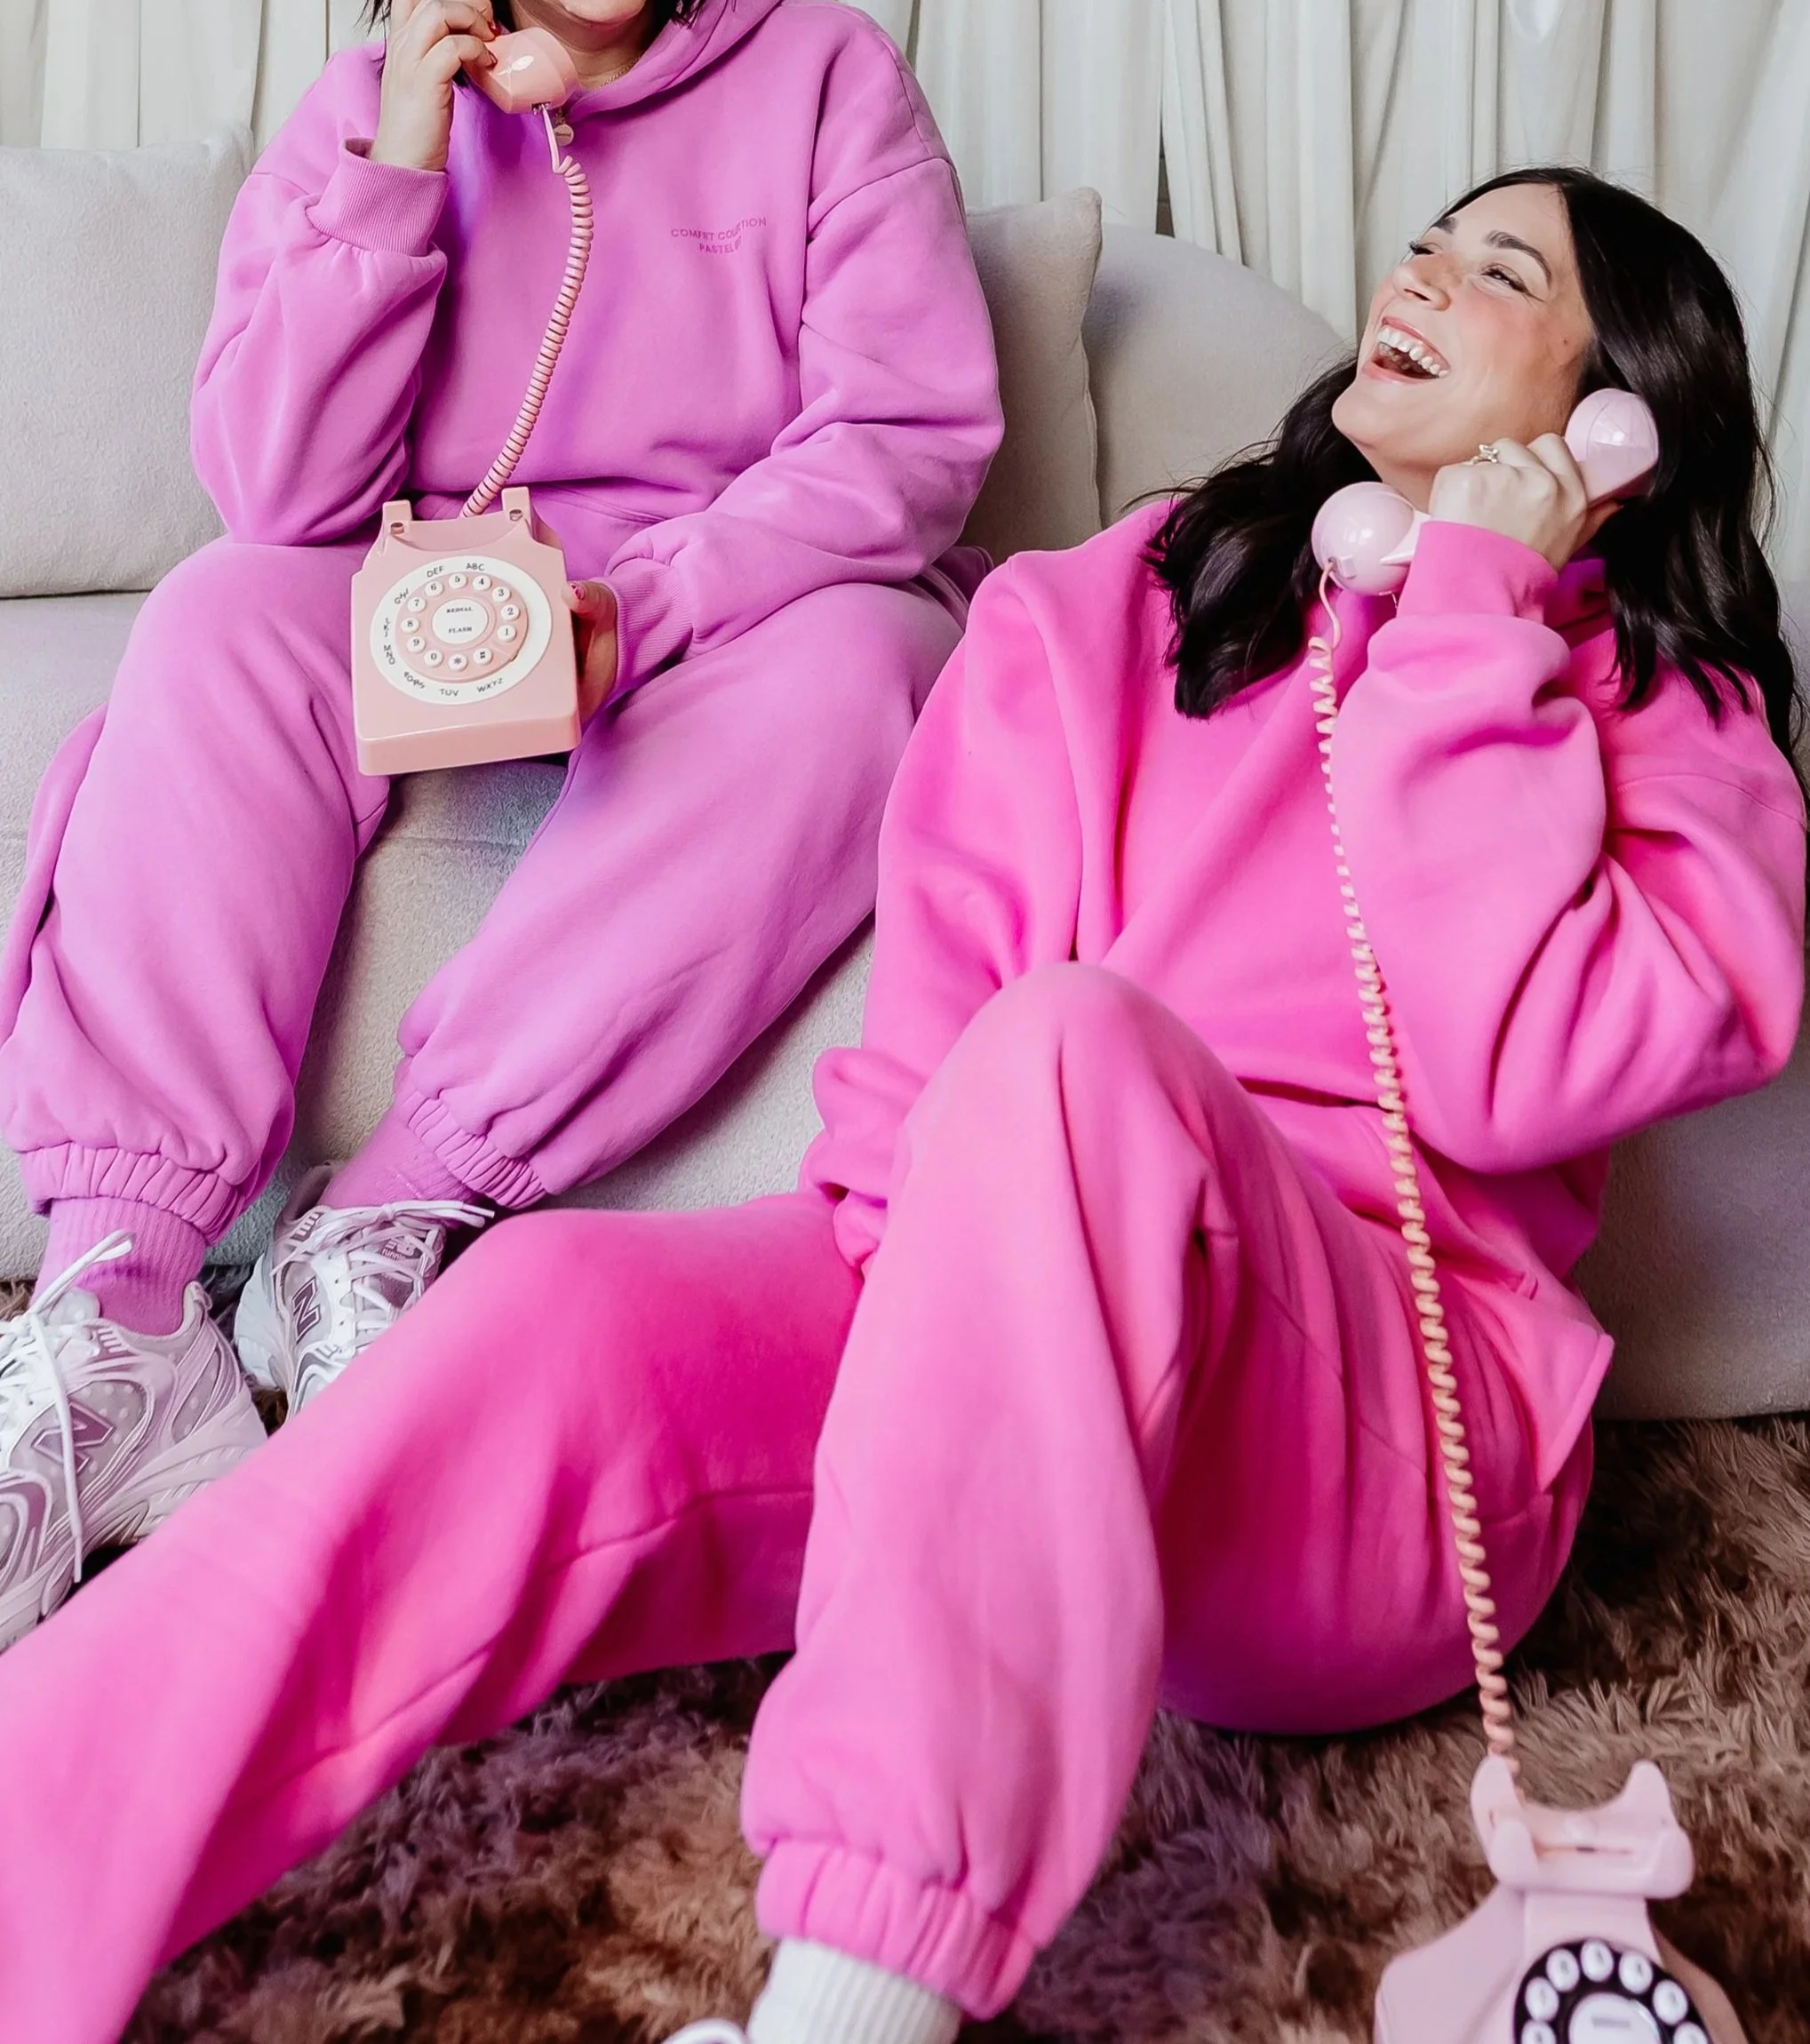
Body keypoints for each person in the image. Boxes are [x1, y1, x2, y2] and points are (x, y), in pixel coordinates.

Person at [0, 172, 1800, 2044]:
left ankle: (858, 2001)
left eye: (1500, 268)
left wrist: (1471, 620)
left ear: (1625, 413)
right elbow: (933, 1066)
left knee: (1074, 1056)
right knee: (552, 1309)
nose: (1420, 268)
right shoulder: (1123, 595)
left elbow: (1513, 1056)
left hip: (1377, 1464)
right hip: (1015, 1349)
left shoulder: (1675, 725)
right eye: (1428, 235)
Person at [0, 0, 1000, 1650]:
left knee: (869, 673)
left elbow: (905, 441)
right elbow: (276, 491)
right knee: (207, 616)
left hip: (720, 611)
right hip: (417, 584)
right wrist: (395, 153)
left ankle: (397, 1210)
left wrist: (654, 605)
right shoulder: (361, 114)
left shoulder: (824, 77)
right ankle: (123, 1308)